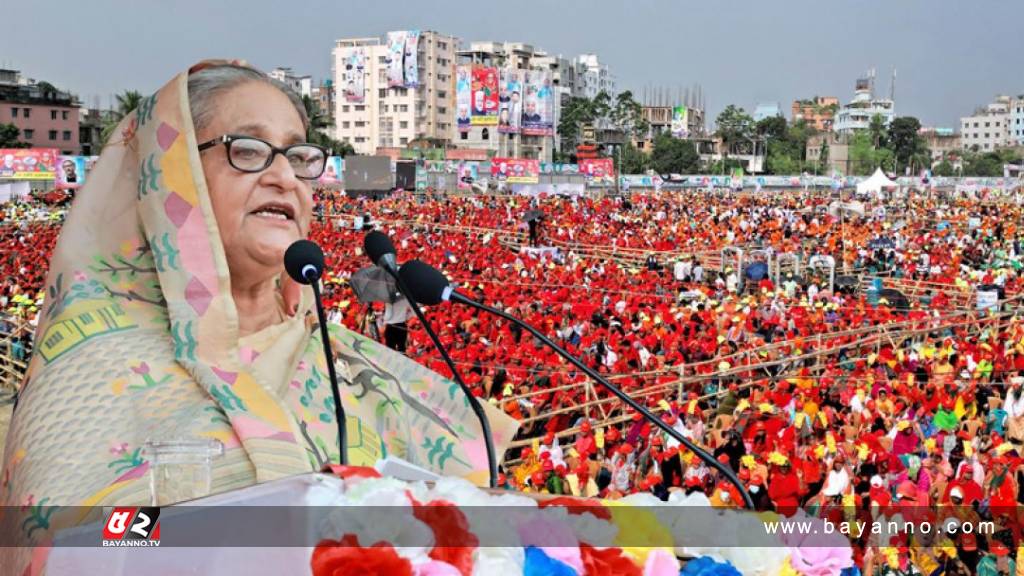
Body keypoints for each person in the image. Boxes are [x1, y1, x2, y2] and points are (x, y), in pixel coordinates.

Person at [0, 61, 518, 571]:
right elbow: (64, 539)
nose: (283, 177)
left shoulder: (351, 370)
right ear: (168, 178)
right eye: (247, 150)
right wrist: (220, 528)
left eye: (298, 155)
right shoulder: (91, 367)